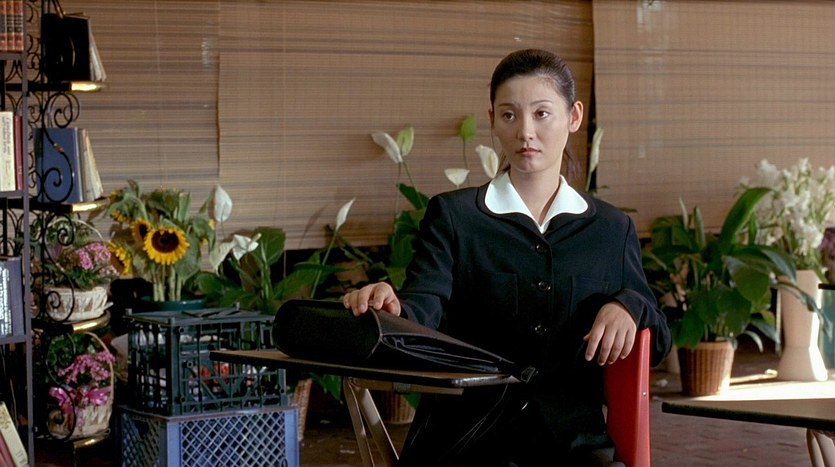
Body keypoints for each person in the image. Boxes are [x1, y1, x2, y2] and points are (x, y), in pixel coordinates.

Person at [343, 48, 671, 466]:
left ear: (573, 117)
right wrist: (388, 307)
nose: (525, 132)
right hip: (467, 443)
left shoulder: (610, 229)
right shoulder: (455, 217)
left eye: (542, 113)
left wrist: (629, 305)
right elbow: (422, 308)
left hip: (573, 448)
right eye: (510, 115)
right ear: (493, 120)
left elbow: (658, 339)